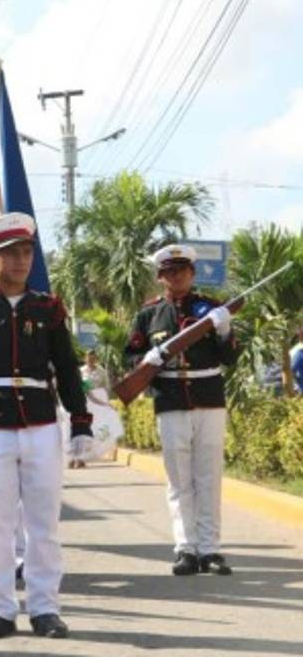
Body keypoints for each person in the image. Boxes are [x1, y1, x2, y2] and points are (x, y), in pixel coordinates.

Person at [0, 213, 93, 640]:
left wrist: (81, 421)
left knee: (43, 523)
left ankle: (45, 609)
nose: (21, 261)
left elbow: (66, 367)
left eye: (26, 252)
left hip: (41, 423)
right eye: (10, 254)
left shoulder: (48, 308)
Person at [124, 244, 239, 577]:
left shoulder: (212, 308)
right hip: (171, 399)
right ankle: (186, 548)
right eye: (169, 272)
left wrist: (224, 330)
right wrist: (148, 358)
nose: (176, 277)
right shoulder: (149, 315)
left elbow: (230, 358)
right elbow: (130, 357)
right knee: (179, 481)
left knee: (209, 478)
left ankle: (210, 549)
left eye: (182, 271)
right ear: (161, 277)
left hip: (209, 396)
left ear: (192, 273)